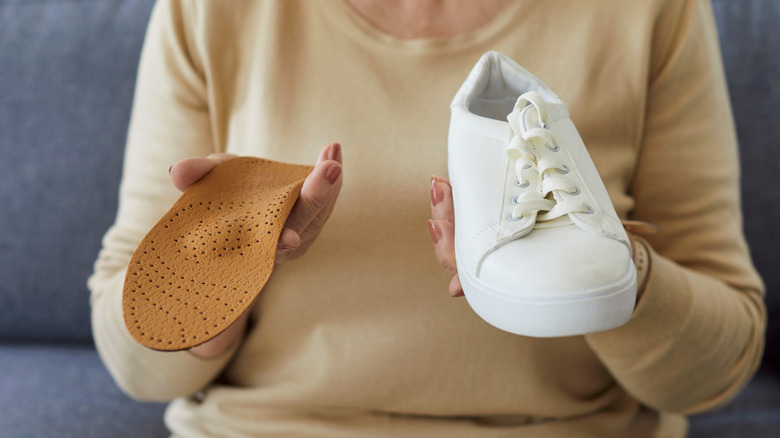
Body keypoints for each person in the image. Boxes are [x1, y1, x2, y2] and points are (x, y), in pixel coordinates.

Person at [88, 0, 766, 436]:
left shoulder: (649, 12)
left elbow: (720, 368)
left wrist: (607, 271)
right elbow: (137, 370)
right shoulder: (211, 11)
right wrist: (220, 259)